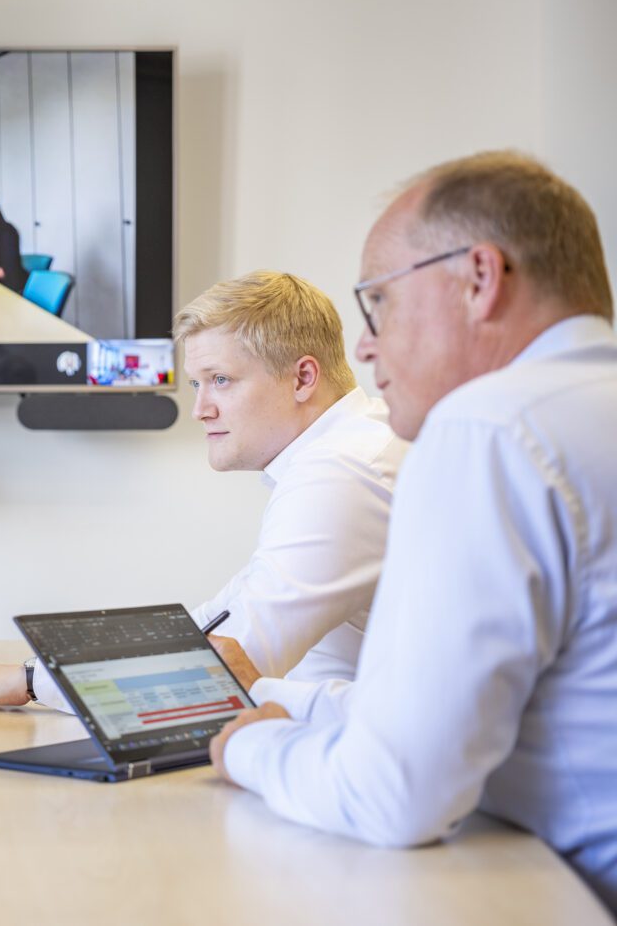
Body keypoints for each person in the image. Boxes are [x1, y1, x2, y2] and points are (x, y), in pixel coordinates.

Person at [210, 152, 617, 913]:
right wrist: (293, 705)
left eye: (379, 303)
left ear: (479, 278)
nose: (364, 347)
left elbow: (392, 795)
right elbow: (491, 717)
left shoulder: (492, 425)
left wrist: (246, 747)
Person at [0, 271, 406, 708]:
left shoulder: (340, 474)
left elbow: (222, 669)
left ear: (303, 377)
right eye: (198, 384)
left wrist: (31, 683)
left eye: (220, 381)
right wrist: (38, 673)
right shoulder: (351, 447)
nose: (201, 409)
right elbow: (219, 619)